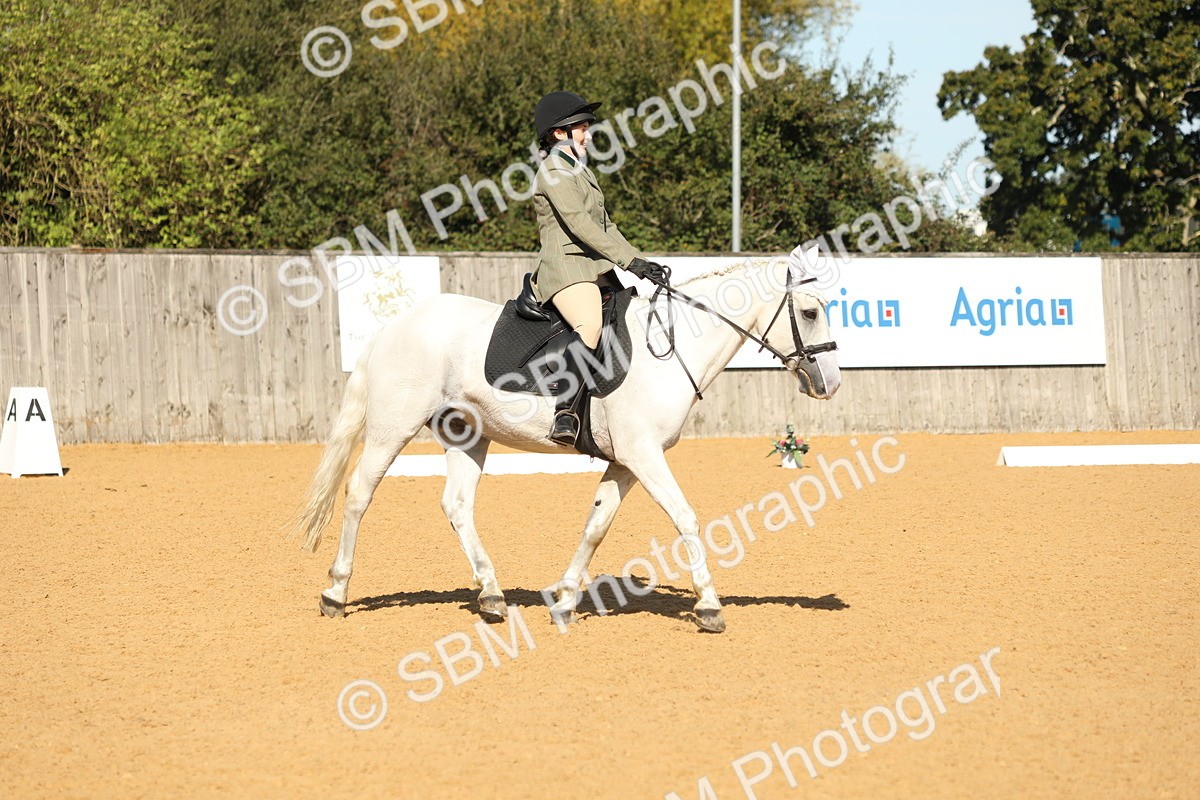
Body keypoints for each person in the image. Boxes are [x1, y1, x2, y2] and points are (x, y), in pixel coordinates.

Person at [530, 90, 664, 446]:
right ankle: (565, 413)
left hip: (593, 265)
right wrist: (628, 261)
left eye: (587, 126)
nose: (588, 133)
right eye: (582, 127)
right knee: (590, 324)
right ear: (559, 133)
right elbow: (579, 224)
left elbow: (606, 226)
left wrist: (638, 261)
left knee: (628, 317)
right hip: (566, 268)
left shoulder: (580, 170)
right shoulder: (553, 171)